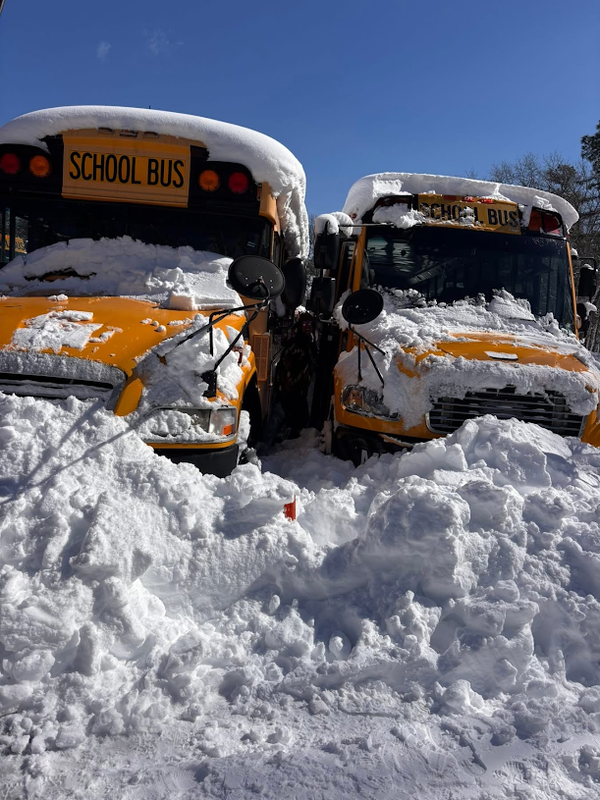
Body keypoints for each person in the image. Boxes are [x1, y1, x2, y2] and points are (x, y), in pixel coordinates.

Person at [274, 312, 317, 439]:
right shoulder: (296, 342)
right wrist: (288, 383)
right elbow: (286, 365)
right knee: (293, 415)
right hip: (291, 387)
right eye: (304, 324)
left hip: (301, 387)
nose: (307, 327)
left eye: (310, 324)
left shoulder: (309, 342)